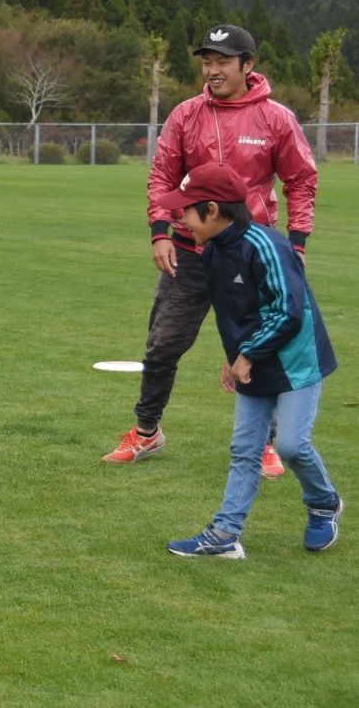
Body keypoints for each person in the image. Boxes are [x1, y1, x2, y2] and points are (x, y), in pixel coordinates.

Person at [104, 24, 317, 473]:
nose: (213, 69)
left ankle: (266, 443)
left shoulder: (276, 118)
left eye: (223, 61)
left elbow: (301, 180)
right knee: (162, 345)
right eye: (207, 61)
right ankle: (147, 432)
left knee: (258, 348)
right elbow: (162, 175)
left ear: (248, 65)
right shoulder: (185, 114)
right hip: (189, 250)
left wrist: (296, 243)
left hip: (251, 254)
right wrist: (160, 231)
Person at [157, 163, 341, 558]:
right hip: (253, 358)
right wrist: (234, 357)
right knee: (245, 449)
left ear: (212, 210)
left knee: (291, 445)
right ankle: (225, 535)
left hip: (296, 360)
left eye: (187, 209)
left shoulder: (267, 245)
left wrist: (247, 353)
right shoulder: (213, 252)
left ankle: (324, 503)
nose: (179, 217)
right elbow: (233, 313)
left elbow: (288, 312)